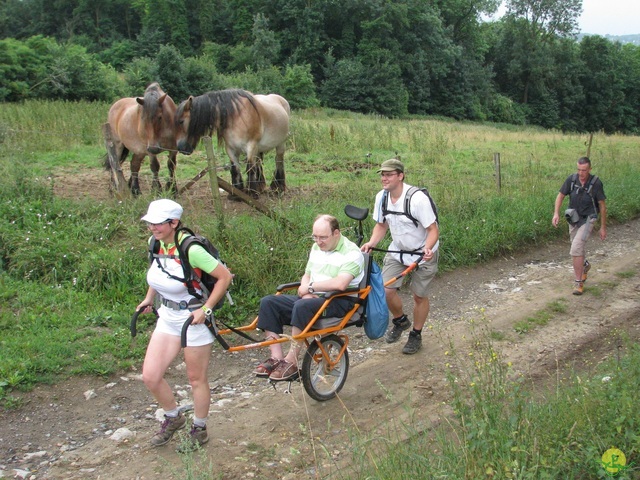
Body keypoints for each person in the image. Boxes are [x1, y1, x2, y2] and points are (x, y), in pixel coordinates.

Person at [136, 199, 233, 450]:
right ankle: (173, 416)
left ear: (174, 223)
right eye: (150, 223)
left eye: (157, 223)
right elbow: (158, 271)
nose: (152, 227)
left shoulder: (191, 249)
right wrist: (149, 298)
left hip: (194, 319)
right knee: (150, 376)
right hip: (168, 316)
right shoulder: (155, 244)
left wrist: (206, 309)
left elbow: (224, 277)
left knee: (195, 378)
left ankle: (199, 428)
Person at [253, 214, 365, 381]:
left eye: (323, 237)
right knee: (268, 302)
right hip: (314, 297)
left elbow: (341, 283)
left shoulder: (352, 252)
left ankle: (291, 362)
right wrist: (305, 290)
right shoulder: (316, 248)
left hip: (339, 300)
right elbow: (307, 275)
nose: (318, 242)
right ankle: (276, 358)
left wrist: (310, 288)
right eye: (315, 237)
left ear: (336, 233)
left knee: (302, 307)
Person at [361, 159, 439, 355]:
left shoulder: (417, 199)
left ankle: (416, 334)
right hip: (397, 251)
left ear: (400, 176)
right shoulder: (382, 197)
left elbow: (433, 230)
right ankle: (401, 321)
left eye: (388, 174)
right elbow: (381, 225)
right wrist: (372, 243)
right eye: (382, 174)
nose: (384, 178)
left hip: (423, 253)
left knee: (419, 296)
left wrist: (427, 250)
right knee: (385, 289)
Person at [552, 157, 607, 295]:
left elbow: (602, 205)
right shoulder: (571, 180)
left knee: (576, 247)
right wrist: (556, 213)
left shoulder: (596, 183)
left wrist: (602, 227)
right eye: (578, 170)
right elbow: (560, 196)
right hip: (573, 218)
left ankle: (578, 283)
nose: (581, 173)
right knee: (576, 248)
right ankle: (585, 265)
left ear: (590, 169)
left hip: (589, 218)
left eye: (584, 170)